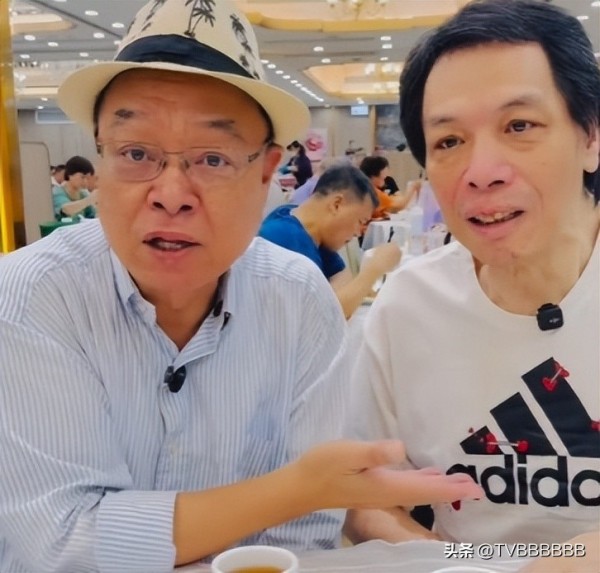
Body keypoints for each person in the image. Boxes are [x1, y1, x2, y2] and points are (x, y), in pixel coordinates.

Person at [0, 1, 482, 572]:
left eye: (212, 158)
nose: (171, 194)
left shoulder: (297, 299)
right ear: (100, 162)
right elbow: (62, 545)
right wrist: (295, 489)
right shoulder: (32, 295)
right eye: (135, 153)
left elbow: (303, 539)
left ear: (265, 173)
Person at [346, 0, 599, 571]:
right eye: (449, 141)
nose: (482, 172)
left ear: (590, 136)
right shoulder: (409, 306)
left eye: (519, 126)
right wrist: (467, 563)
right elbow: (366, 497)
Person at [259, 163, 402, 319]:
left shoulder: (307, 226)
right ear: (336, 205)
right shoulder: (283, 238)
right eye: (360, 221)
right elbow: (325, 317)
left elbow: (343, 280)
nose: (357, 233)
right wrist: (373, 270)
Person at [52, 155, 97, 220]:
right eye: (82, 177)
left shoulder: (83, 194)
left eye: (87, 178)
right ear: (70, 174)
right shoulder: (57, 192)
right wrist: (89, 200)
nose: (85, 181)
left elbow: (91, 216)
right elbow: (66, 210)